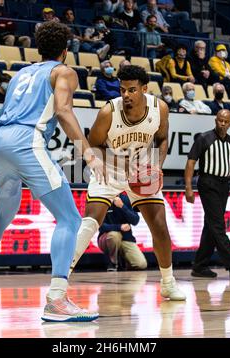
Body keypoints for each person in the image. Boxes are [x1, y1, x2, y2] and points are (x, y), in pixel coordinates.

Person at [0, 21, 104, 322]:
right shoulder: (64, 71)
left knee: (3, 215)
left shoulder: (21, 73)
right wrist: (88, 153)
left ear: (39, 48)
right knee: (70, 217)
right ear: (66, 50)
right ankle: (57, 300)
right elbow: (63, 110)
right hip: (27, 142)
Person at [69, 65, 186, 301]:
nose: (126, 95)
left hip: (143, 167)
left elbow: (162, 139)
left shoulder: (159, 108)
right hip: (111, 168)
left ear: (144, 89)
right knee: (91, 221)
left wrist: (157, 165)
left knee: (160, 225)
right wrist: (119, 166)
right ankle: (60, 282)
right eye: (122, 89)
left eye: (132, 90)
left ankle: (168, 282)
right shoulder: (108, 112)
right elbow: (92, 146)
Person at [184, 109, 230, 279]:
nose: (222, 123)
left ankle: (199, 266)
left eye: (225, 121)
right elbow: (191, 163)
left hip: (223, 186)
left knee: (211, 226)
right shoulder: (204, 138)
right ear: (216, 120)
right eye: (219, 120)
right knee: (218, 225)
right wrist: (188, 187)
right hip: (208, 183)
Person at [98, 194, 147, 271]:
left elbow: (135, 220)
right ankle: (113, 263)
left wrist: (122, 206)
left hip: (125, 239)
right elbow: (100, 225)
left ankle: (124, 260)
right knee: (114, 235)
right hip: (106, 238)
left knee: (141, 264)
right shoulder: (103, 200)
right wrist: (119, 227)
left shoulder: (126, 199)